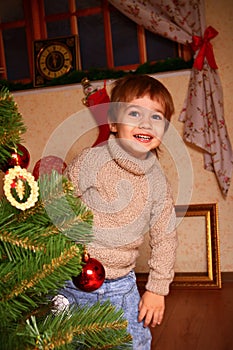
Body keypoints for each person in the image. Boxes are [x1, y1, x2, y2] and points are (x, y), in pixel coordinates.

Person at [58, 74, 178, 349]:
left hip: (120, 287)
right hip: (71, 279)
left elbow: (165, 238)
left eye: (156, 117)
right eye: (135, 113)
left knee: (133, 344)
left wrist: (157, 290)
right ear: (113, 123)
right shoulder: (92, 160)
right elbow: (59, 199)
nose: (146, 123)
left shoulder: (157, 183)